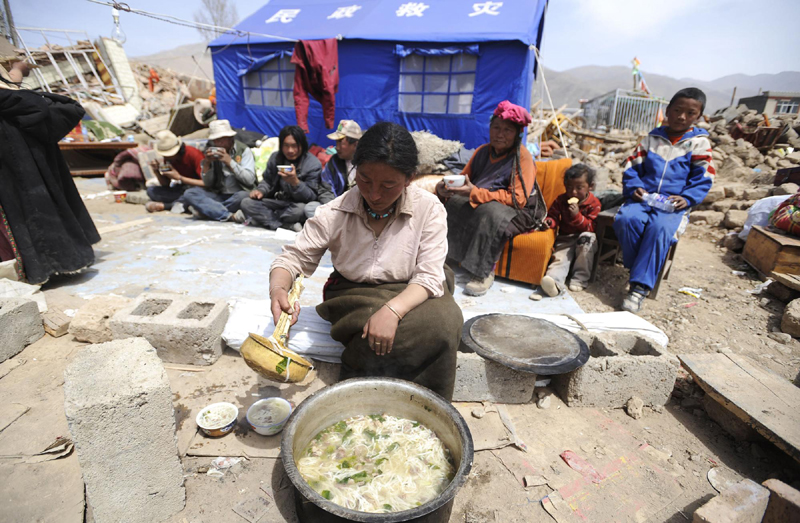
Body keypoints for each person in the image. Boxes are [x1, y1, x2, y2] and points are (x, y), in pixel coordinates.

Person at [269, 122, 463, 400]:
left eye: (388, 185)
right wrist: (278, 290)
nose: (374, 194)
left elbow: (429, 277)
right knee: (375, 331)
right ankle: (365, 397)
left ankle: (425, 404)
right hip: (354, 292)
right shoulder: (334, 212)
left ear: (409, 178)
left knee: (443, 324)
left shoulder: (428, 208)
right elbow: (292, 259)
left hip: (414, 286)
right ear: (355, 171)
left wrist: (392, 311)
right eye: (365, 180)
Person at [614, 88, 714, 313]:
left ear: (698, 116)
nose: (681, 117)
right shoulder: (651, 139)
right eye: (677, 110)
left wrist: (687, 198)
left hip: (672, 206)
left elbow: (704, 177)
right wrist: (634, 187)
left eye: (690, 113)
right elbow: (632, 168)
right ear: (666, 111)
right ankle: (640, 267)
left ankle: (639, 288)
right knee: (626, 220)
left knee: (660, 229)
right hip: (644, 199)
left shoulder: (699, 144)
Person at [0, 64, 100, 284]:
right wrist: (17, 69)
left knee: (28, 207)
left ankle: (42, 267)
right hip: (19, 155)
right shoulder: (16, 103)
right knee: (33, 205)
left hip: (17, 156)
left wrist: (16, 71)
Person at [435, 100, 544, 296]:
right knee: (455, 203)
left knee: (489, 212)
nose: (500, 134)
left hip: (520, 210)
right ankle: (448, 257)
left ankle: (483, 272)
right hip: (485, 199)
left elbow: (518, 199)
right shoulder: (482, 151)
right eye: (496, 128)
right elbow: (465, 180)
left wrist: (475, 193)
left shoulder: (523, 157)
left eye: (507, 130)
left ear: (518, 134)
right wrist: (446, 188)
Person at [239, 125, 322, 231]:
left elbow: (311, 197)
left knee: (301, 210)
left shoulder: (312, 164)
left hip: (295, 205)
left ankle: (266, 220)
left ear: (302, 146)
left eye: (294, 146)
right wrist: (260, 191)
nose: (290, 150)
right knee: (246, 203)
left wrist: (295, 183)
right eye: (286, 146)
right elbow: (267, 181)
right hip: (276, 201)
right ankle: (283, 225)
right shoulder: (276, 158)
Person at [538, 164, 601, 298]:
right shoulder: (561, 200)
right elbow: (553, 215)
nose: (573, 192)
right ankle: (554, 282)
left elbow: (592, 227)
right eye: (569, 188)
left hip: (584, 238)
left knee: (586, 241)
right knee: (560, 258)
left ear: (590, 186)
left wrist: (577, 216)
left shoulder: (594, 204)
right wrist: (550, 222)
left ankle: (580, 278)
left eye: (579, 188)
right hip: (566, 238)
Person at [182, 119, 255, 221]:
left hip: (237, 195)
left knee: (245, 197)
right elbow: (207, 183)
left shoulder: (243, 151)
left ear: (230, 138)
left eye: (222, 139)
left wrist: (229, 162)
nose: (219, 143)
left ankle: (209, 211)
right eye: (216, 140)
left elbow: (249, 180)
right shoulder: (212, 151)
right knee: (190, 193)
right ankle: (229, 216)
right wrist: (207, 163)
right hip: (219, 194)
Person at [145, 130, 205, 213]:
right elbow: (166, 184)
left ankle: (167, 206)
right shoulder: (168, 159)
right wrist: (156, 171)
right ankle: (182, 204)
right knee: (151, 191)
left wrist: (180, 178)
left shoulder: (193, 154)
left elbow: (205, 184)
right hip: (181, 189)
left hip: (197, 189)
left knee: (191, 194)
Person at [322, 119, 362, 198]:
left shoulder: (368, 163)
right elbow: (325, 189)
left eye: (340, 142)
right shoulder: (333, 162)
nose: (337, 148)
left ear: (355, 145)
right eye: (336, 142)